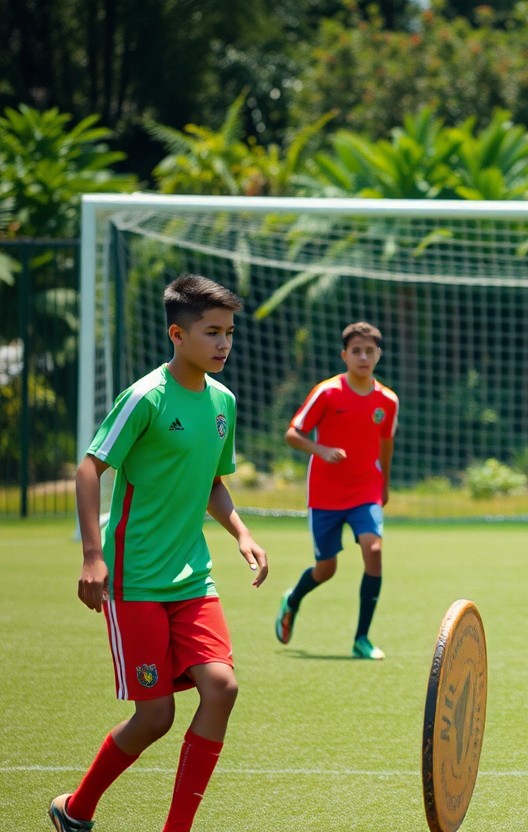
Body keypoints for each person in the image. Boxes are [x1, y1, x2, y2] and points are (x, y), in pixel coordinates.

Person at [51, 275, 268, 832]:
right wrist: (93, 557)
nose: (224, 343)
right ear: (177, 334)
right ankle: (75, 809)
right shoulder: (145, 397)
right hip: (136, 579)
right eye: (212, 332)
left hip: (192, 578)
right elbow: (89, 468)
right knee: (155, 717)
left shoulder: (223, 402)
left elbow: (213, 482)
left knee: (222, 688)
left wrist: (241, 532)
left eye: (229, 332)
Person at [275, 322, 399, 659]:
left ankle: (362, 639)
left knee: (374, 550)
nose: (363, 357)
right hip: (325, 495)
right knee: (326, 569)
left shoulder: (388, 401)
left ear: (378, 355)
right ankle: (292, 600)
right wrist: (321, 450)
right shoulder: (327, 392)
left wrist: (384, 484)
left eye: (369, 351)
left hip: (366, 490)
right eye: (356, 351)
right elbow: (292, 434)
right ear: (344, 355)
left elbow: (386, 444)